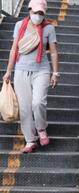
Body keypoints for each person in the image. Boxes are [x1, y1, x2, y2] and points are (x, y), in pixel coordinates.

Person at [2, 0, 59, 153]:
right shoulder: (19, 26)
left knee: (38, 102)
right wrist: (9, 71)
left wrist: (55, 72)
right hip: (21, 70)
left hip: (42, 70)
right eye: (36, 12)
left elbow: (53, 52)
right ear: (29, 10)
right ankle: (30, 140)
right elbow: (14, 49)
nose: (38, 16)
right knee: (25, 108)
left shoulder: (48, 28)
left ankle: (41, 128)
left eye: (41, 13)